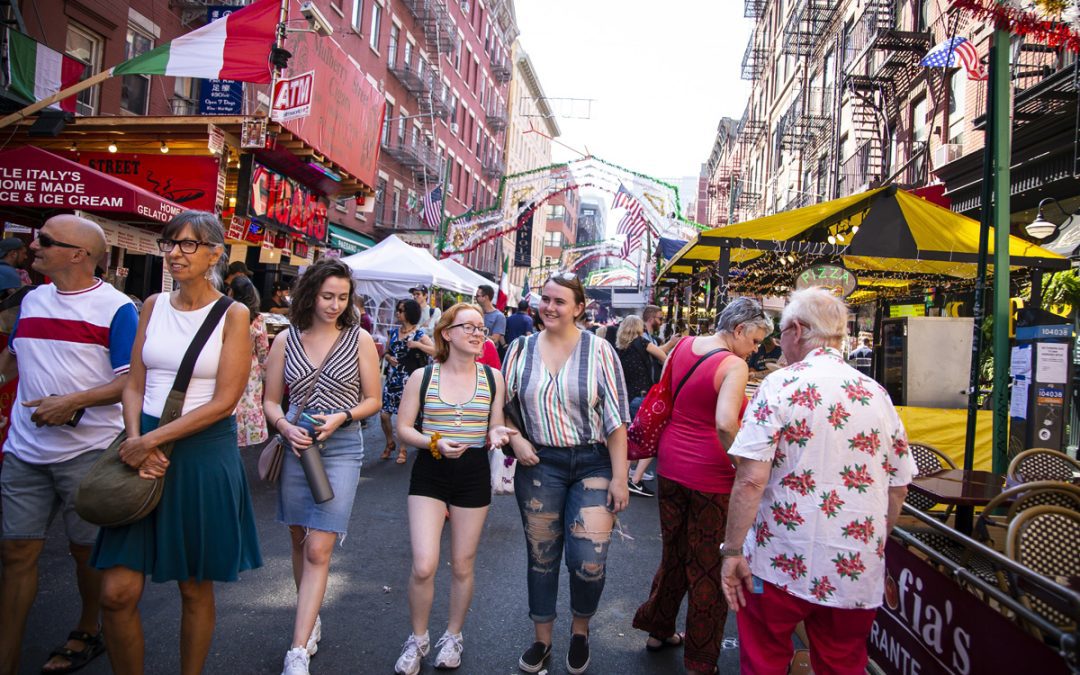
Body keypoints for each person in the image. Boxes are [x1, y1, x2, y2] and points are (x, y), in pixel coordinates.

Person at [92, 210, 261, 675]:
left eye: (189, 244)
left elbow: (225, 400)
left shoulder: (234, 313)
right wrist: (135, 441)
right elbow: (133, 384)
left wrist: (152, 442)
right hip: (142, 443)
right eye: (171, 243)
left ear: (214, 254)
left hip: (201, 454)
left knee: (193, 587)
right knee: (116, 593)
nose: (176, 253)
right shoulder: (151, 305)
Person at [720, 288, 915, 674]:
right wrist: (872, 540)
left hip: (777, 561)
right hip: (853, 567)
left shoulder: (780, 386)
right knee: (842, 662)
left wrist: (731, 551)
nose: (779, 343)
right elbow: (898, 486)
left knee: (764, 655)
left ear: (796, 330)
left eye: (780, 333)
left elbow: (750, 480)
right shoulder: (877, 395)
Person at [0, 215, 137, 675]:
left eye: (45, 241)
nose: (33, 246)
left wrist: (72, 402)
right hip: (23, 450)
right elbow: (14, 358)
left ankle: (86, 628)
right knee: (16, 552)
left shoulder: (117, 308)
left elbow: (130, 384)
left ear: (78, 254)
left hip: (88, 454)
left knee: (85, 552)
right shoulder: (32, 299)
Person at [632, 298, 772, 674]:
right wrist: (741, 463)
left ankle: (658, 629)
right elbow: (726, 423)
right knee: (709, 565)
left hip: (671, 465)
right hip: (711, 475)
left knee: (674, 552)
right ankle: (700, 658)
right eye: (756, 340)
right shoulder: (733, 364)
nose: (756, 349)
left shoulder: (683, 345)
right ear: (739, 329)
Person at [502, 273, 630, 675]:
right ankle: (542, 642)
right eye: (546, 299)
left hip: (593, 462)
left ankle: (580, 631)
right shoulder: (519, 349)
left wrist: (621, 477)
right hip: (540, 463)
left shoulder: (601, 351)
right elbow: (500, 404)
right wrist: (515, 438)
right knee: (542, 556)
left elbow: (616, 420)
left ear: (579, 308)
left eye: (560, 301)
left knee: (588, 559)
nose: (550, 307)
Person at [263, 258, 382, 675]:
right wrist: (282, 426)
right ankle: (309, 622)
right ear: (310, 293)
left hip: (343, 444)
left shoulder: (359, 339)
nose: (334, 305)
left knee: (319, 546)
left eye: (342, 297)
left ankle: (297, 650)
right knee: (299, 538)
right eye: (327, 296)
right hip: (297, 443)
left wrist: (343, 418)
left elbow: (373, 400)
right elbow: (271, 400)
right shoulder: (286, 340)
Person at [391, 302, 516, 674]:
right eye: (469, 327)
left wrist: (496, 434)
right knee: (424, 564)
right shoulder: (423, 377)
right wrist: (434, 441)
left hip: (474, 472)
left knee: (462, 564)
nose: (478, 333)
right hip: (431, 469)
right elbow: (404, 428)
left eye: (481, 327)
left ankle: (453, 636)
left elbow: (495, 424)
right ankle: (417, 639)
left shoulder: (494, 378)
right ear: (447, 333)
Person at [613, 315, 668, 497]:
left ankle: (625, 477)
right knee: (649, 438)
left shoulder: (620, 348)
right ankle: (634, 479)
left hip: (626, 397)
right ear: (639, 327)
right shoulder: (642, 343)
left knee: (629, 437)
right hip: (643, 396)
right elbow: (664, 357)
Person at [381, 299, 434, 464]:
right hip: (393, 378)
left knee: (404, 417)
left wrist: (418, 345)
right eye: (397, 310)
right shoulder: (394, 333)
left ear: (410, 313)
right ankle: (390, 442)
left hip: (410, 381)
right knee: (384, 415)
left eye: (401, 310)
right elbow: (387, 352)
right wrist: (389, 358)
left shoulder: (420, 334)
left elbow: (435, 350)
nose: (398, 313)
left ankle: (402, 449)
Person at [228, 276, 269, 447]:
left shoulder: (226, 314)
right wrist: (264, 372)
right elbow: (263, 349)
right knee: (250, 401)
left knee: (230, 400)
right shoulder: (258, 319)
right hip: (250, 367)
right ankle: (249, 436)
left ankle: (229, 435)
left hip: (227, 363)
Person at [474, 285, 506, 349]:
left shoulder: (499, 316)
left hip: (487, 352)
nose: (475, 298)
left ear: (485, 297)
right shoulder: (475, 312)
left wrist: (475, 335)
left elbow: (495, 339)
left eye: (477, 296)